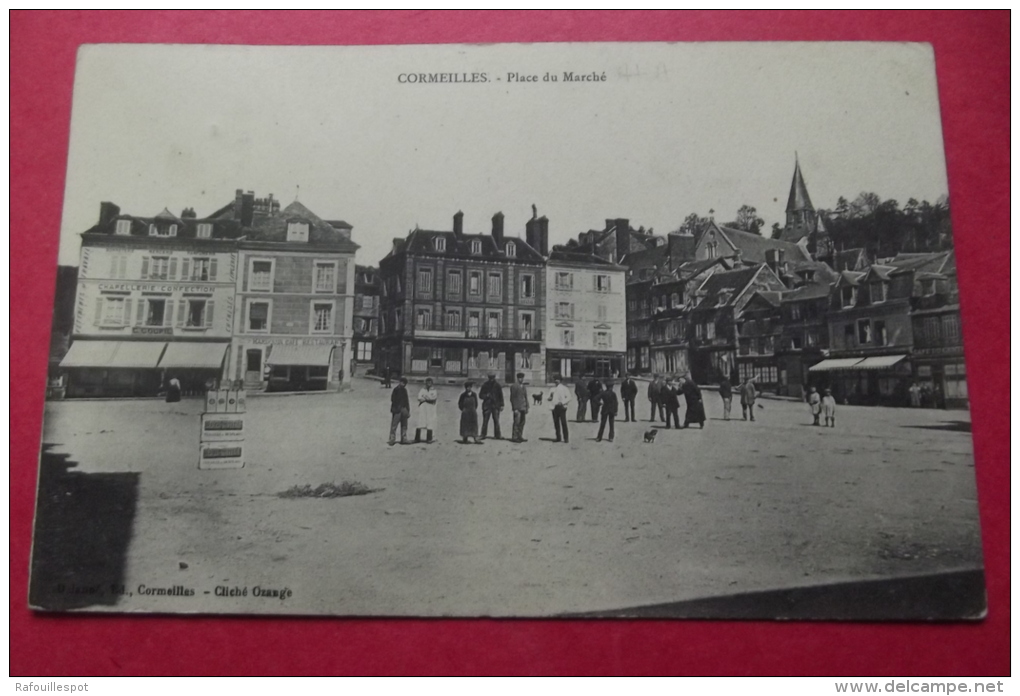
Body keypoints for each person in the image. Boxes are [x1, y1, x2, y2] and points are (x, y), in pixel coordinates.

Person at [547, 374, 572, 443]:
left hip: (561, 407)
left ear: (560, 381)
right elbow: (549, 398)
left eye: (557, 380)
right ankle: (558, 437)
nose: (556, 381)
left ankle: (566, 438)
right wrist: (550, 397)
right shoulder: (552, 389)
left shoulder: (564, 388)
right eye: (555, 380)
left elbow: (569, 397)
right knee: (556, 423)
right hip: (554, 407)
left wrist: (563, 402)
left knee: (563, 422)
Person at [479, 373, 504, 440]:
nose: (492, 380)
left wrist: (502, 405)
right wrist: (486, 396)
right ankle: (483, 434)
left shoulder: (498, 386)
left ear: (494, 378)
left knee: (496, 420)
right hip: (487, 406)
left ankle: (498, 435)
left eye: (493, 378)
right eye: (490, 378)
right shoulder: (485, 385)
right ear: (488, 378)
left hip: (495, 406)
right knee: (485, 421)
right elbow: (480, 395)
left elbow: (501, 396)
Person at [388, 377, 410, 445]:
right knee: (394, 425)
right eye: (402, 382)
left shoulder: (405, 390)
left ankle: (404, 438)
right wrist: (397, 406)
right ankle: (392, 439)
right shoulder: (396, 390)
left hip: (404, 409)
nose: (403, 384)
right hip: (397, 410)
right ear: (399, 382)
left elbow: (407, 401)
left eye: (404, 383)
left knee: (404, 425)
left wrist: (408, 410)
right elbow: (393, 399)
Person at [415, 378, 438, 443]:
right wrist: (427, 398)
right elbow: (419, 397)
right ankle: (417, 438)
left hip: (430, 408)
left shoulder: (434, 391)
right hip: (423, 407)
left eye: (430, 383)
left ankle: (429, 438)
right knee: (420, 421)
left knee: (430, 422)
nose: (428, 384)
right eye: (427, 383)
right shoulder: (422, 390)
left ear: (432, 383)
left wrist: (425, 397)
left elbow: (433, 398)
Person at [509, 372, 529, 442]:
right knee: (516, 422)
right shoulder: (514, 386)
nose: (521, 379)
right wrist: (515, 408)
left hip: (523, 407)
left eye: (522, 378)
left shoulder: (523, 386)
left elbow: (526, 397)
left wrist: (527, 407)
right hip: (517, 408)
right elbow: (512, 398)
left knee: (522, 422)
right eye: (520, 378)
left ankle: (520, 436)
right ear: (517, 378)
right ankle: (514, 437)